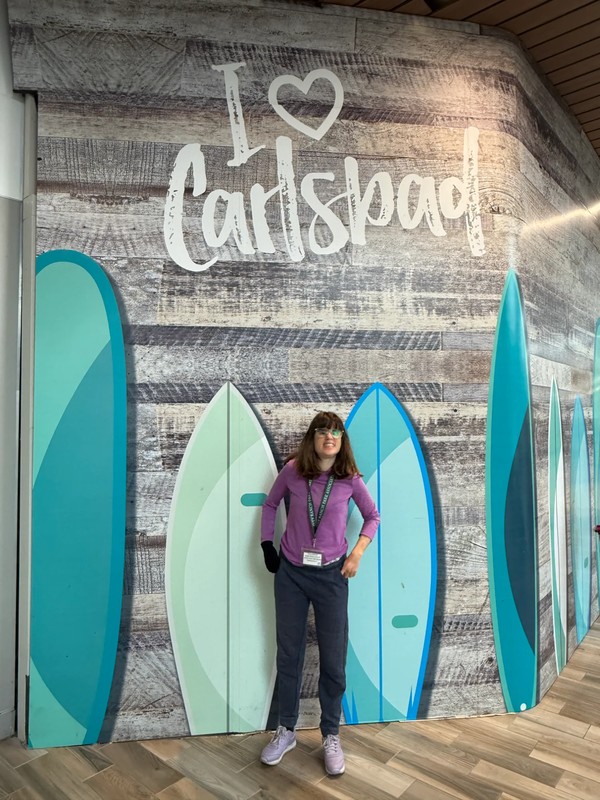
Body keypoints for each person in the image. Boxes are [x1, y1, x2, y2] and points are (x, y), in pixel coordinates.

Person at [259, 411, 380, 776]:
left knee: (333, 658)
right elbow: (269, 505)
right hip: (292, 575)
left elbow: (373, 516)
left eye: (336, 432)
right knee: (289, 653)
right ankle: (286, 730)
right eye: (323, 431)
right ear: (313, 438)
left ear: (342, 441)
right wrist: (267, 544)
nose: (330, 437)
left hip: (331, 577)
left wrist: (357, 553)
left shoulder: (349, 479)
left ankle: (330, 733)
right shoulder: (293, 471)